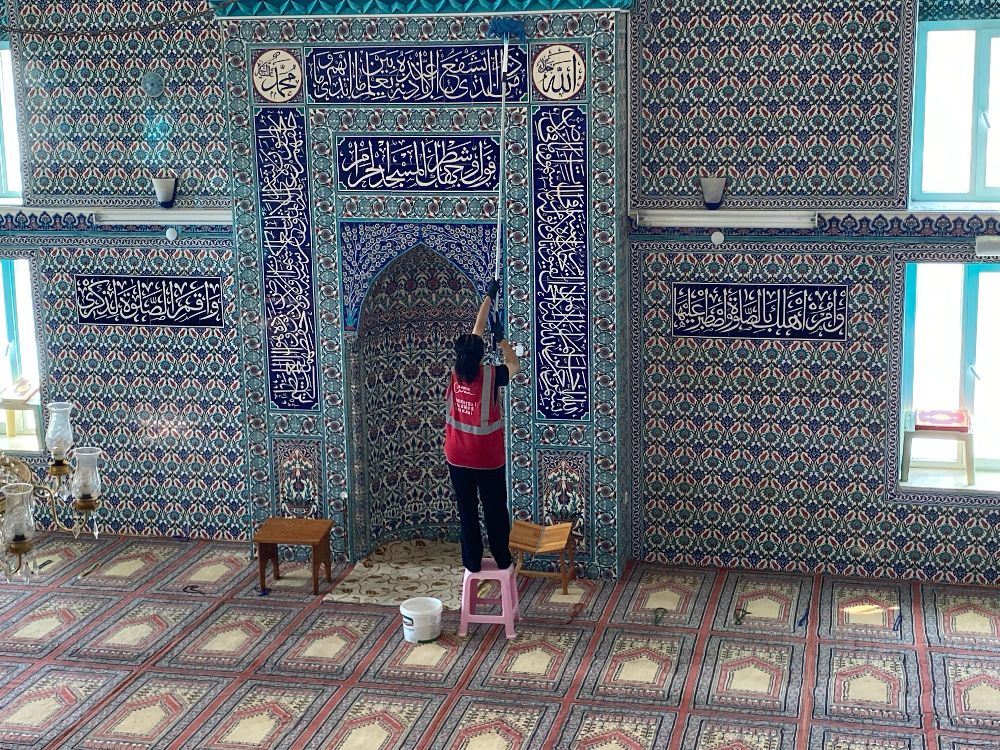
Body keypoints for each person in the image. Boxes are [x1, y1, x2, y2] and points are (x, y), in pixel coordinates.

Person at [444, 279, 521, 572]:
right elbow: (515, 366)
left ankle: (472, 563)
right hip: (486, 458)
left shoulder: (456, 373)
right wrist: (502, 340)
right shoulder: (490, 375)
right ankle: (502, 558)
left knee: (467, 510)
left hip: (457, 455)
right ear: (480, 356)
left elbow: (475, 333)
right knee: (494, 509)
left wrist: (488, 297)